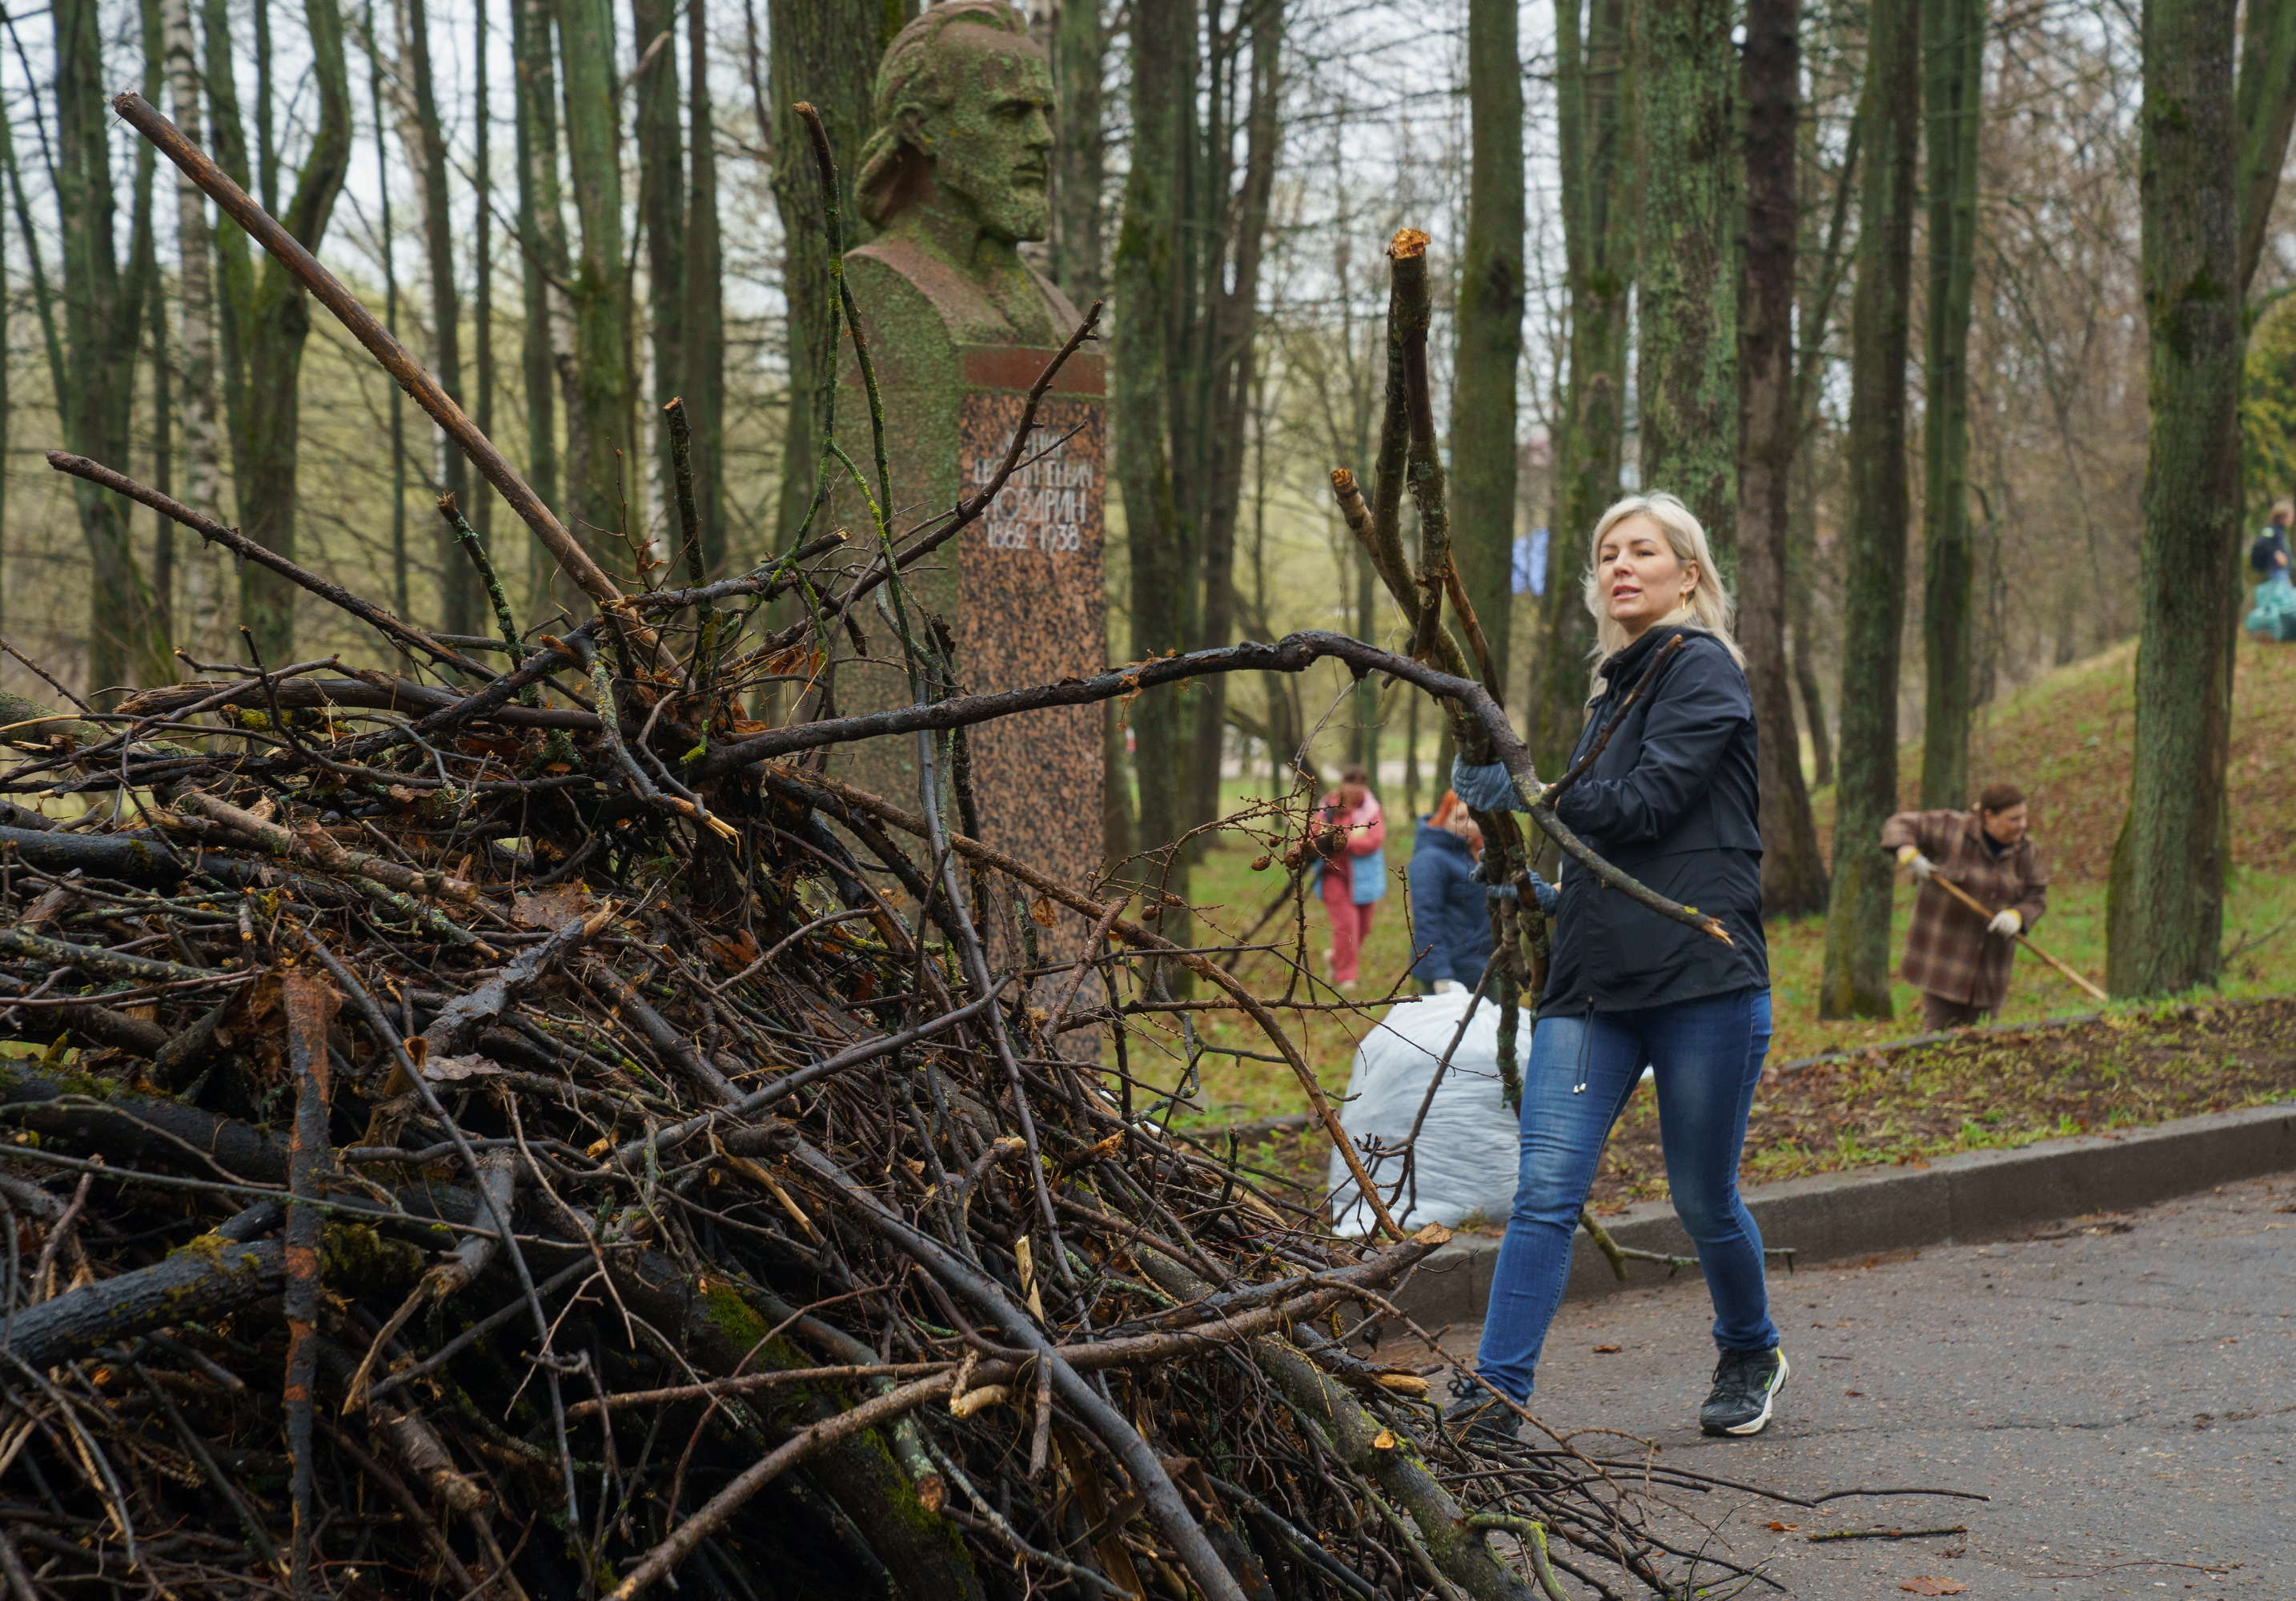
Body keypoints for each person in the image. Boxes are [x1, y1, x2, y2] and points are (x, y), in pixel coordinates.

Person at [1443, 491, 1784, 1443]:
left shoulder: (1704, 672)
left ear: (1690, 572)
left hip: (1701, 981)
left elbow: (1643, 805)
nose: (1620, 564)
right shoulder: (1615, 688)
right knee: (1546, 1190)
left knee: (1702, 1197)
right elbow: (1613, 854)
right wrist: (1546, 893)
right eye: (1605, 553)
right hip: (1595, 985)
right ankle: (1495, 1394)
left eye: (1642, 549)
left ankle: (1750, 1346)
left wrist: (1525, 791)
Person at [1881, 783, 2049, 1034]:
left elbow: (2037, 896)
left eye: (2024, 817)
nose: (2022, 824)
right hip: (1944, 963)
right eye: (2014, 819)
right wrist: (1907, 852)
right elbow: (1899, 823)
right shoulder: (1950, 829)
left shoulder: (2026, 852)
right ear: (1988, 816)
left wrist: (2017, 915)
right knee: (1938, 1038)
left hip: (1990, 971)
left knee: (1981, 1042)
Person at [1407, 792, 1555, 995]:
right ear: (1443, 817)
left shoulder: (1477, 853)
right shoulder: (1430, 859)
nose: (1467, 826)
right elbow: (1427, 918)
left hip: (1482, 966)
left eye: (1473, 819)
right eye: (1459, 818)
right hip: (1450, 971)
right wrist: (1440, 974)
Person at [1311, 764, 1387, 990]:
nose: (1355, 788)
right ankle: (1346, 977)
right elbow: (1314, 834)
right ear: (1342, 783)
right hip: (1332, 875)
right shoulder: (1328, 807)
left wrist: (1341, 841)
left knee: (1362, 929)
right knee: (1346, 925)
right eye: (1350, 782)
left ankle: (1335, 958)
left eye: (1360, 783)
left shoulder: (1371, 811)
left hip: (1363, 879)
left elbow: (1373, 841)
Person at [2246, 500, 2296, 643]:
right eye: (2291, 515)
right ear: (2283, 516)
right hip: (2277, 572)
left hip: (2282, 572)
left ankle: (2283, 633)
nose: (2292, 518)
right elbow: (2261, 544)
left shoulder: (2280, 532)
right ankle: (2282, 634)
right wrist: (2276, 554)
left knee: (2286, 603)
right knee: (2285, 604)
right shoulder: (2271, 530)